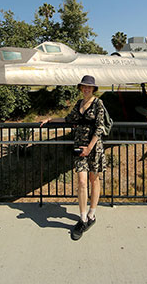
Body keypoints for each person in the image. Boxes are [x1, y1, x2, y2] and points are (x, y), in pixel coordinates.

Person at [41, 75, 107, 240]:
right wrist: (51, 119)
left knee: (94, 179)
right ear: (81, 88)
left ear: (93, 89)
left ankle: (92, 214)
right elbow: (68, 119)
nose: (86, 89)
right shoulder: (79, 104)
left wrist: (89, 148)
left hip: (93, 148)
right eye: (84, 87)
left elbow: (100, 127)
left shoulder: (98, 103)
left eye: (89, 87)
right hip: (79, 147)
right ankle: (82, 217)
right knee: (82, 181)